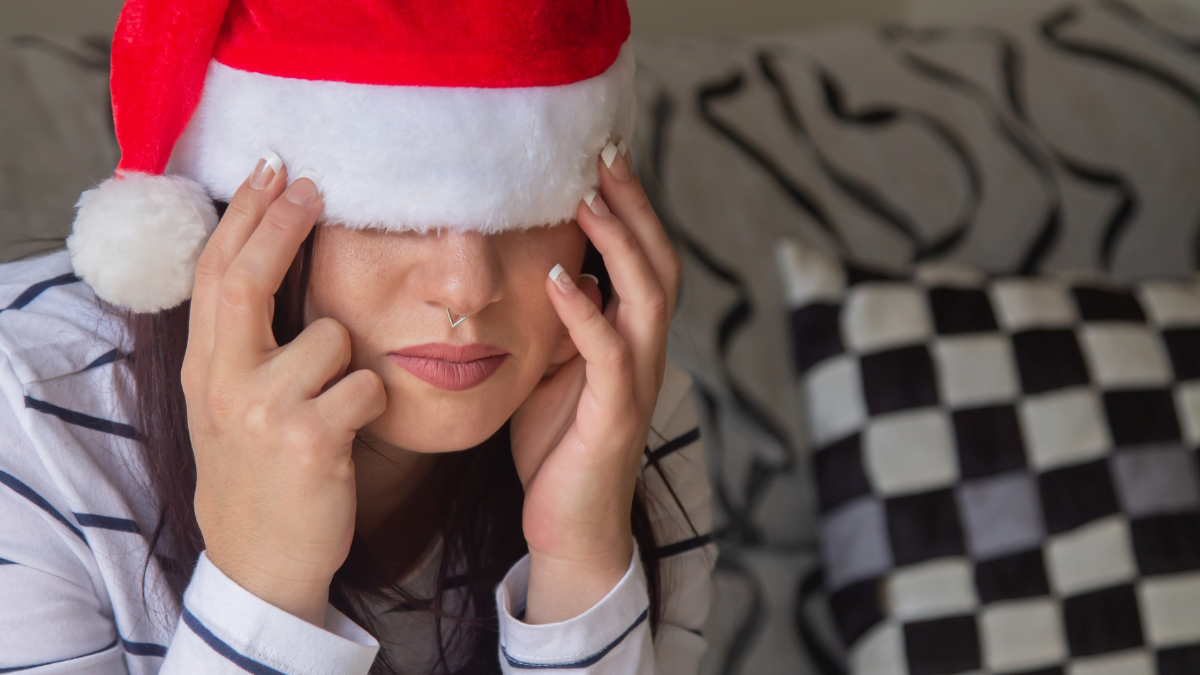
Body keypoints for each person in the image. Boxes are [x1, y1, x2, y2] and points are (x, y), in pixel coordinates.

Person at [0, 0, 715, 673]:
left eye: (524, 203)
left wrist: (580, 561)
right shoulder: (25, 422)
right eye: (390, 208)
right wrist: (265, 583)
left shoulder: (611, 421)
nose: (465, 289)